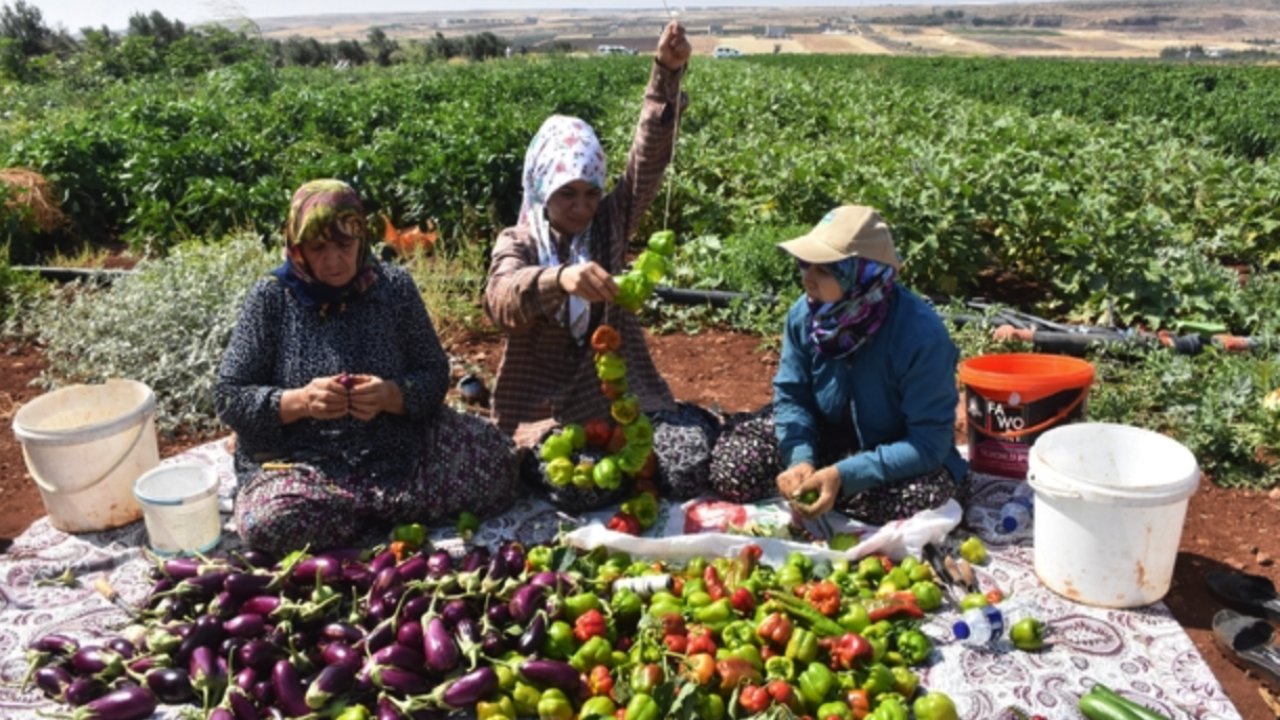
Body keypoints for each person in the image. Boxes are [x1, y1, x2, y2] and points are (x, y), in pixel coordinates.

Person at [216, 179, 519, 554]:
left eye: (344, 245)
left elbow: (433, 371)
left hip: (397, 453)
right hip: (304, 466)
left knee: (500, 465)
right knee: (266, 523)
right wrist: (300, 401)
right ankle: (385, 512)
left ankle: (356, 518)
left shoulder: (393, 287)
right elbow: (229, 397)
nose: (333, 260)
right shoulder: (272, 299)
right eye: (318, 248)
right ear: (298, 248)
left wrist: (392, 395)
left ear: (362, 238)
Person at [484, 22, 715, 498]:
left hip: (621, 404)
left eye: (591, 193)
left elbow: (646, 163)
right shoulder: (519, 241)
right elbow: (501, 300)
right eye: (567, 193)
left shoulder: (608, 225)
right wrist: (559, 278)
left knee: (686, 466)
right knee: (577, 486)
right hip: (541, 414)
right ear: (542, 189)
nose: (582, 206)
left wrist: (666, 74)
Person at [709, 205, 968, 524]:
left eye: (825, 270)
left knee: (919, 499)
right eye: (805, 265)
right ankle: (828, 485)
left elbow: (929, 443)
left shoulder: (920, 336)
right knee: (734, 468)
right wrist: (800, 457)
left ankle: (838, 489)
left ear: (863, 274)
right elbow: (792, 396)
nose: (808, 279)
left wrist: (845, 475)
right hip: (826, 438)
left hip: (893, 452)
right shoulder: (805, 316)